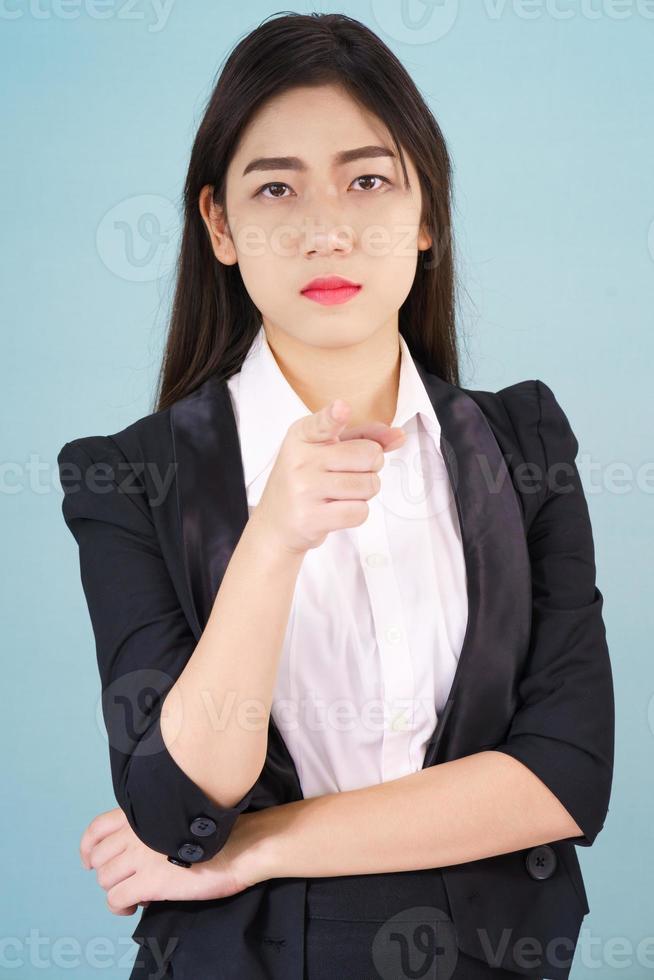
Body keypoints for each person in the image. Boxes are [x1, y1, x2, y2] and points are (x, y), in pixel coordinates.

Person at [57, 12, 614, 980]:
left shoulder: (524, 443)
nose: (326, 228)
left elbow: (563, 774)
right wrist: (271, 539)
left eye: (368, 179)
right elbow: (177, 799)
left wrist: (251, 849)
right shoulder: (127, 477)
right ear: (221, 227)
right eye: (277, 187)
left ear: (427, 213)